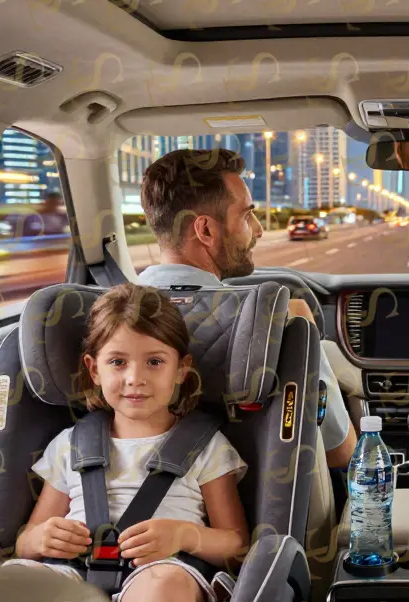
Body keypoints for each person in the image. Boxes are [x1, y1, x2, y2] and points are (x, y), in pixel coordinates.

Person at [5, 284, 250, 602]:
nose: (135, 378)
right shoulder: (70, 445)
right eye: (118, 362)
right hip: (70, 572)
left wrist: (186, 534)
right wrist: (42, 538)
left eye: (154, 362)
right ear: (93, 368)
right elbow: (25, 541)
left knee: (163, 590)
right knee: (16, 588)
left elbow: (236, 543)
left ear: (180, 369)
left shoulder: (206, 447)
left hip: (161, 570)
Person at [132, 148, 358, 470]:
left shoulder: (101, 315)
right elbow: (340, 452)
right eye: (246, 215)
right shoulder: (281, 319)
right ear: (206, 231)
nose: (259, 229)